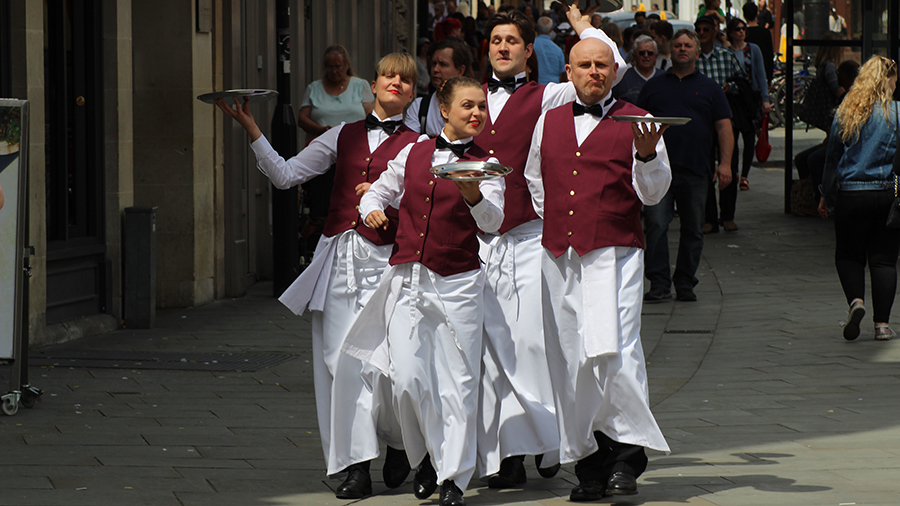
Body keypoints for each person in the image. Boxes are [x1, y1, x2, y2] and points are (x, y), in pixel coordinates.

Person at [215, 54, 420, 499]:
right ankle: (355, 465)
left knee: (388, 369)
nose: (396, 84)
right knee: (339, 366)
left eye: (405, 79)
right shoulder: (341, 136)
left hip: (391, 267)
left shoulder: (421, 145)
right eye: (389, 76)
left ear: (412, 91)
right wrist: (253, 131)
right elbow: (287, 175)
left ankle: (401, 442)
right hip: (339, 262)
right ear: (373, 85)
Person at [475, 5, 626, 488]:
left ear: (529, 50)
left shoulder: (550, 95)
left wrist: (584, 28)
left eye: (511, 40)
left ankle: (540, 445)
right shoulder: (468, 97)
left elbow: (608, 68)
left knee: (529, 346)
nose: (502, 47)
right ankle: (501, 450)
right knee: (486, 353)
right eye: (496, 40)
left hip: (526, 237)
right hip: (476, 242)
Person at [524, 36, 671, 502]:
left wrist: (646, 156)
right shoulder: (547, 122)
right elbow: (535, 178)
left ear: (613, 71)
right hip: (560, 257)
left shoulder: (638, 122)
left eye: (602, 65)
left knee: (616, 352)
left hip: (614, 254)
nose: (594, 72)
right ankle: (589, 461)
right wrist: (563, 225)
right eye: (584, 65)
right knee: (570, 360)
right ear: (568, 72)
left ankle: (627, 456)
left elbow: (653, 194)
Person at [346, 76, 505, 506]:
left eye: (482, 108)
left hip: (458, 283)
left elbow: (492, 221)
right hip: (408, 281)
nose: (476, 114)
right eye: (468, 106)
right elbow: (378, 189)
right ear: (445, 108)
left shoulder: (487, 164)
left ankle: (452, 477)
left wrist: (473, 195)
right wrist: (373, 208)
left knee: (459, 382)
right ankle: (428, 459)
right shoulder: (413, 151)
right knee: (407, 380)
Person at [638, 29, 733, 303]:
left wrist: (725, 164)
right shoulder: (654, 86)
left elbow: (724, 127)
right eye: (678, 45)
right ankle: (658, 283)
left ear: (696, 51)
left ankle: (685, 282)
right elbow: (637, 127)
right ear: (670, 50)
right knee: (655, 225)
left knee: (693, 229)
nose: (682, 49)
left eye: (687, 45)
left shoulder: (710, 88)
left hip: (696, 169)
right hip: (657, 170)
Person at [818, 56, 899, 341]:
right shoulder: (898, 113)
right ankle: (882, 326)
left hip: (852, 194)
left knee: (849, 255)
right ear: (888, 80)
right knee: (884, 260)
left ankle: (856, 303)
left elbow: (831, 158)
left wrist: (826, 194)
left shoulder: (847, 111)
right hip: (887, 193)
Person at [297, 45, 375, 251]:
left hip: (354, 153)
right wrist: (323, 130)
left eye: (338, 66)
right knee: (322, 204)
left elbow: (372, 116)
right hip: (323, 154)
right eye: (329, 67)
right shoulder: (314, 88)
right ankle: (316, 245)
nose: (334, 71)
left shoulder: (360, 85)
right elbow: (302, 119)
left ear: (347, 65)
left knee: (351, 199)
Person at [693, 15, 747, 234]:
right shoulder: (692, 59)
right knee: (704, 168)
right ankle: (709, 218)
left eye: (707, 29)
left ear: (715, 31)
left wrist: (730, 87)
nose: (702, 33)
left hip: (725, 119)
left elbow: (742, 81)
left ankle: (727, 216)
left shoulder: (726, 56)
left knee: (729, 166)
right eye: (699, 29)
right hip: (701, 121)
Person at [726, 17, 771, 195]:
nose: (741, 32)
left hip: (750, 100)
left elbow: (761, 75)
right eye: (737, 29)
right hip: (733, 99)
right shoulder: (725, 51)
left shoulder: (753, 50)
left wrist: (765, 99)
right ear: (731, 32)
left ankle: (744, 175)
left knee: (749, 137)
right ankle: (735, 172)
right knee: (732, 137)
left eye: (743, 29)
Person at [406, 37, 473, 137]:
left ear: (460, 71)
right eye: (434, 64)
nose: (435, 69)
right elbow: (409, 146)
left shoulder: (476, 110)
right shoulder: (419, 107)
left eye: (443, 64)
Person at [613, 35, 665, 104]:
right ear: (634, 56)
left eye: (650, 53)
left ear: (656, 56)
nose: (646, 56)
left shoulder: (665, 78)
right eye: (642, 53)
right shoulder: (622, 78)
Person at [742, 1, 775, 83]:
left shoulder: (742, 33)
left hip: (746, 74)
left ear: (744, 16)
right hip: (762, 73)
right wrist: (769, 77)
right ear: (757, 14)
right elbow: (769, 55)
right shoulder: (765, 32)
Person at [534, 16, 567, 85]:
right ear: (551, 29)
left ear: (537, 27)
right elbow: (562, 73)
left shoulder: (531, 46)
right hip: (553, 87)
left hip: (535, 86)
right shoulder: (558, 50)